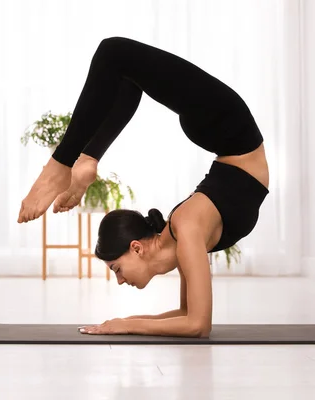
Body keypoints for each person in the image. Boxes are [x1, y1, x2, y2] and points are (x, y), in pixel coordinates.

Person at [17, 37, 269, 338]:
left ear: (136, 247)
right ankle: (87, 158)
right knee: (124, 73)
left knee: (114, 53)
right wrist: (123, 322)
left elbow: (198, 325)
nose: (120, 280)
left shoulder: (186, 227)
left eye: (116, 269)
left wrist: (125, 325)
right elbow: (189, 316)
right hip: (225, 134)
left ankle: (64, 163)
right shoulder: (186, 235)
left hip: (228, 128)